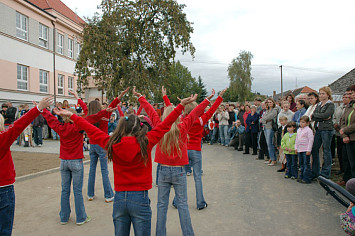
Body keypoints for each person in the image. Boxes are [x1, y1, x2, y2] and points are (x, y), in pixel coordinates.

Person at [55, 88, 197, 236]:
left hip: (119, 198)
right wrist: (180, 107)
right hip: (140, 198)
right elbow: (165, 125)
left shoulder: (112, 143)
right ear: (139, 128)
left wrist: (72, 115)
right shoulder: (146, 143)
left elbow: (91, 129)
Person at [150, 89, 213, 236]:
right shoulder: (183, 126)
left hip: (163, 170)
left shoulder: (160, 127)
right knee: (183, 205)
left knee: (161, 206)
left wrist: (142, 98)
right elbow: (195, 113)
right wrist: (207, 100)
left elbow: (152, 113)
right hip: (179, 170)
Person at [0, 96, 53, 236]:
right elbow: (18, 125)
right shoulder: (2, 140)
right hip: (3, 188)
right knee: (4, 230)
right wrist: (38, 108)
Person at [42, 107, 91, 225]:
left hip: (64, 161)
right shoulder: (77, 127)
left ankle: (64, 217)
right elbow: (86, 121)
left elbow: (51, 120)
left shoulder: (61, 127)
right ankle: (81, 217)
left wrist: (43, 109)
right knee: (77, 191)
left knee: (65, 190)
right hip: (76, 161)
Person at [311, 86, 335, 179]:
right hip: (318, 129)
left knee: (326, 150)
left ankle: (326, 173)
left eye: (323, 93)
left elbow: (327, 115)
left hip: (326, 129)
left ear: (328, 95)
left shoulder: (330, 105)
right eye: (320, 93)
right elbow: (313, 116)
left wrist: (320, 116)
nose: (321, 95)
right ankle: (315, 171)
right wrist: (321, 117)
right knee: (314, 149)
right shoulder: (319, 104)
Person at [340, 85, 355, 185]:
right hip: (349, 138)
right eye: (351, 94)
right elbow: (343, 120)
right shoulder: (349, 106)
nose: (351, 96)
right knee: (352, 163)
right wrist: (344, 135)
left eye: (353, 94)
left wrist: (345, 130)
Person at [334, 92, 351, 177]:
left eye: (346, 97)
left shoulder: (350, 108)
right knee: (340, 153)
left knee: (347, 155)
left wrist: (343, 129)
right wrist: (336, 125)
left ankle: (347, 172)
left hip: (347, 133)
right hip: (339, 133)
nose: (344, 99)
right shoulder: (339, 108)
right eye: (343, 97)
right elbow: (334, 117)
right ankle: (341, 169)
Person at [295, 116, 314, 184]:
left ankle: (307, 178)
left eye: (303, 122)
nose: (301, 123)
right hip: (300, 149)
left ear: (307, 123)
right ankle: (302, 176)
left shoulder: (308, 130)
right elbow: (297, 139)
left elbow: (311, 140)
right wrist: (296, 148)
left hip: (305, 149)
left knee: (306, 164)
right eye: (300, 122)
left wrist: (309, 150)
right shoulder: (299, 130)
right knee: (301, 164)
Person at [260, 98, 278, 166]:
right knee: (268, 144)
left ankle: (273, 159)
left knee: (270, 143)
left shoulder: (274, 110)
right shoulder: (267, 110)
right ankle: (271, 157)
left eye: (270, 102)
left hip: (270, 128)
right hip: (265, 127)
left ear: (273, 103)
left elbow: (269, 117)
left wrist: (264, 119)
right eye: (268, 102)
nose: (269, 103)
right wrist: (264, 119)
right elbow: (262, 118)